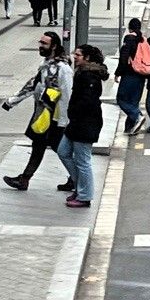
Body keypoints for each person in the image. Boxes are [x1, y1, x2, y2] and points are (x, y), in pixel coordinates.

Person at [0, 33, 73, 191]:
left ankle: (76, 178)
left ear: (54, 46)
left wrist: (64, 120)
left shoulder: (63, 69)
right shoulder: (45, 64)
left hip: (54, 117)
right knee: (38, 146)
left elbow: (67, 95)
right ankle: (24, 179)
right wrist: (12, 101)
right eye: (40, 42)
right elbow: (34, 84)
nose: (40, 46)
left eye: (44, 43)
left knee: (59, 149)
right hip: (43, 113)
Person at [57, 45, 106, 208]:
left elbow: (88, 101)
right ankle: (80, 187)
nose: (74, 56)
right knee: (63, 152)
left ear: (87, 58)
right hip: (77, 122)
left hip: (86, 123)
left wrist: (75, 112)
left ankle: (85, 196)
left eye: (78, 54)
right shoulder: (82, 73)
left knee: (82, 161)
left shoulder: (90, 76)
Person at [115, 16, 150, 133]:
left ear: (130, 28)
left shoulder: (129, 39)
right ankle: (130, 128)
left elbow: (123, 58)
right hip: (142, 75)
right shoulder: (143, 40)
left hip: (130, 74)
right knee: (133, 102)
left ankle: (137, 116)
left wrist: (118, 73)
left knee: (121, 99)